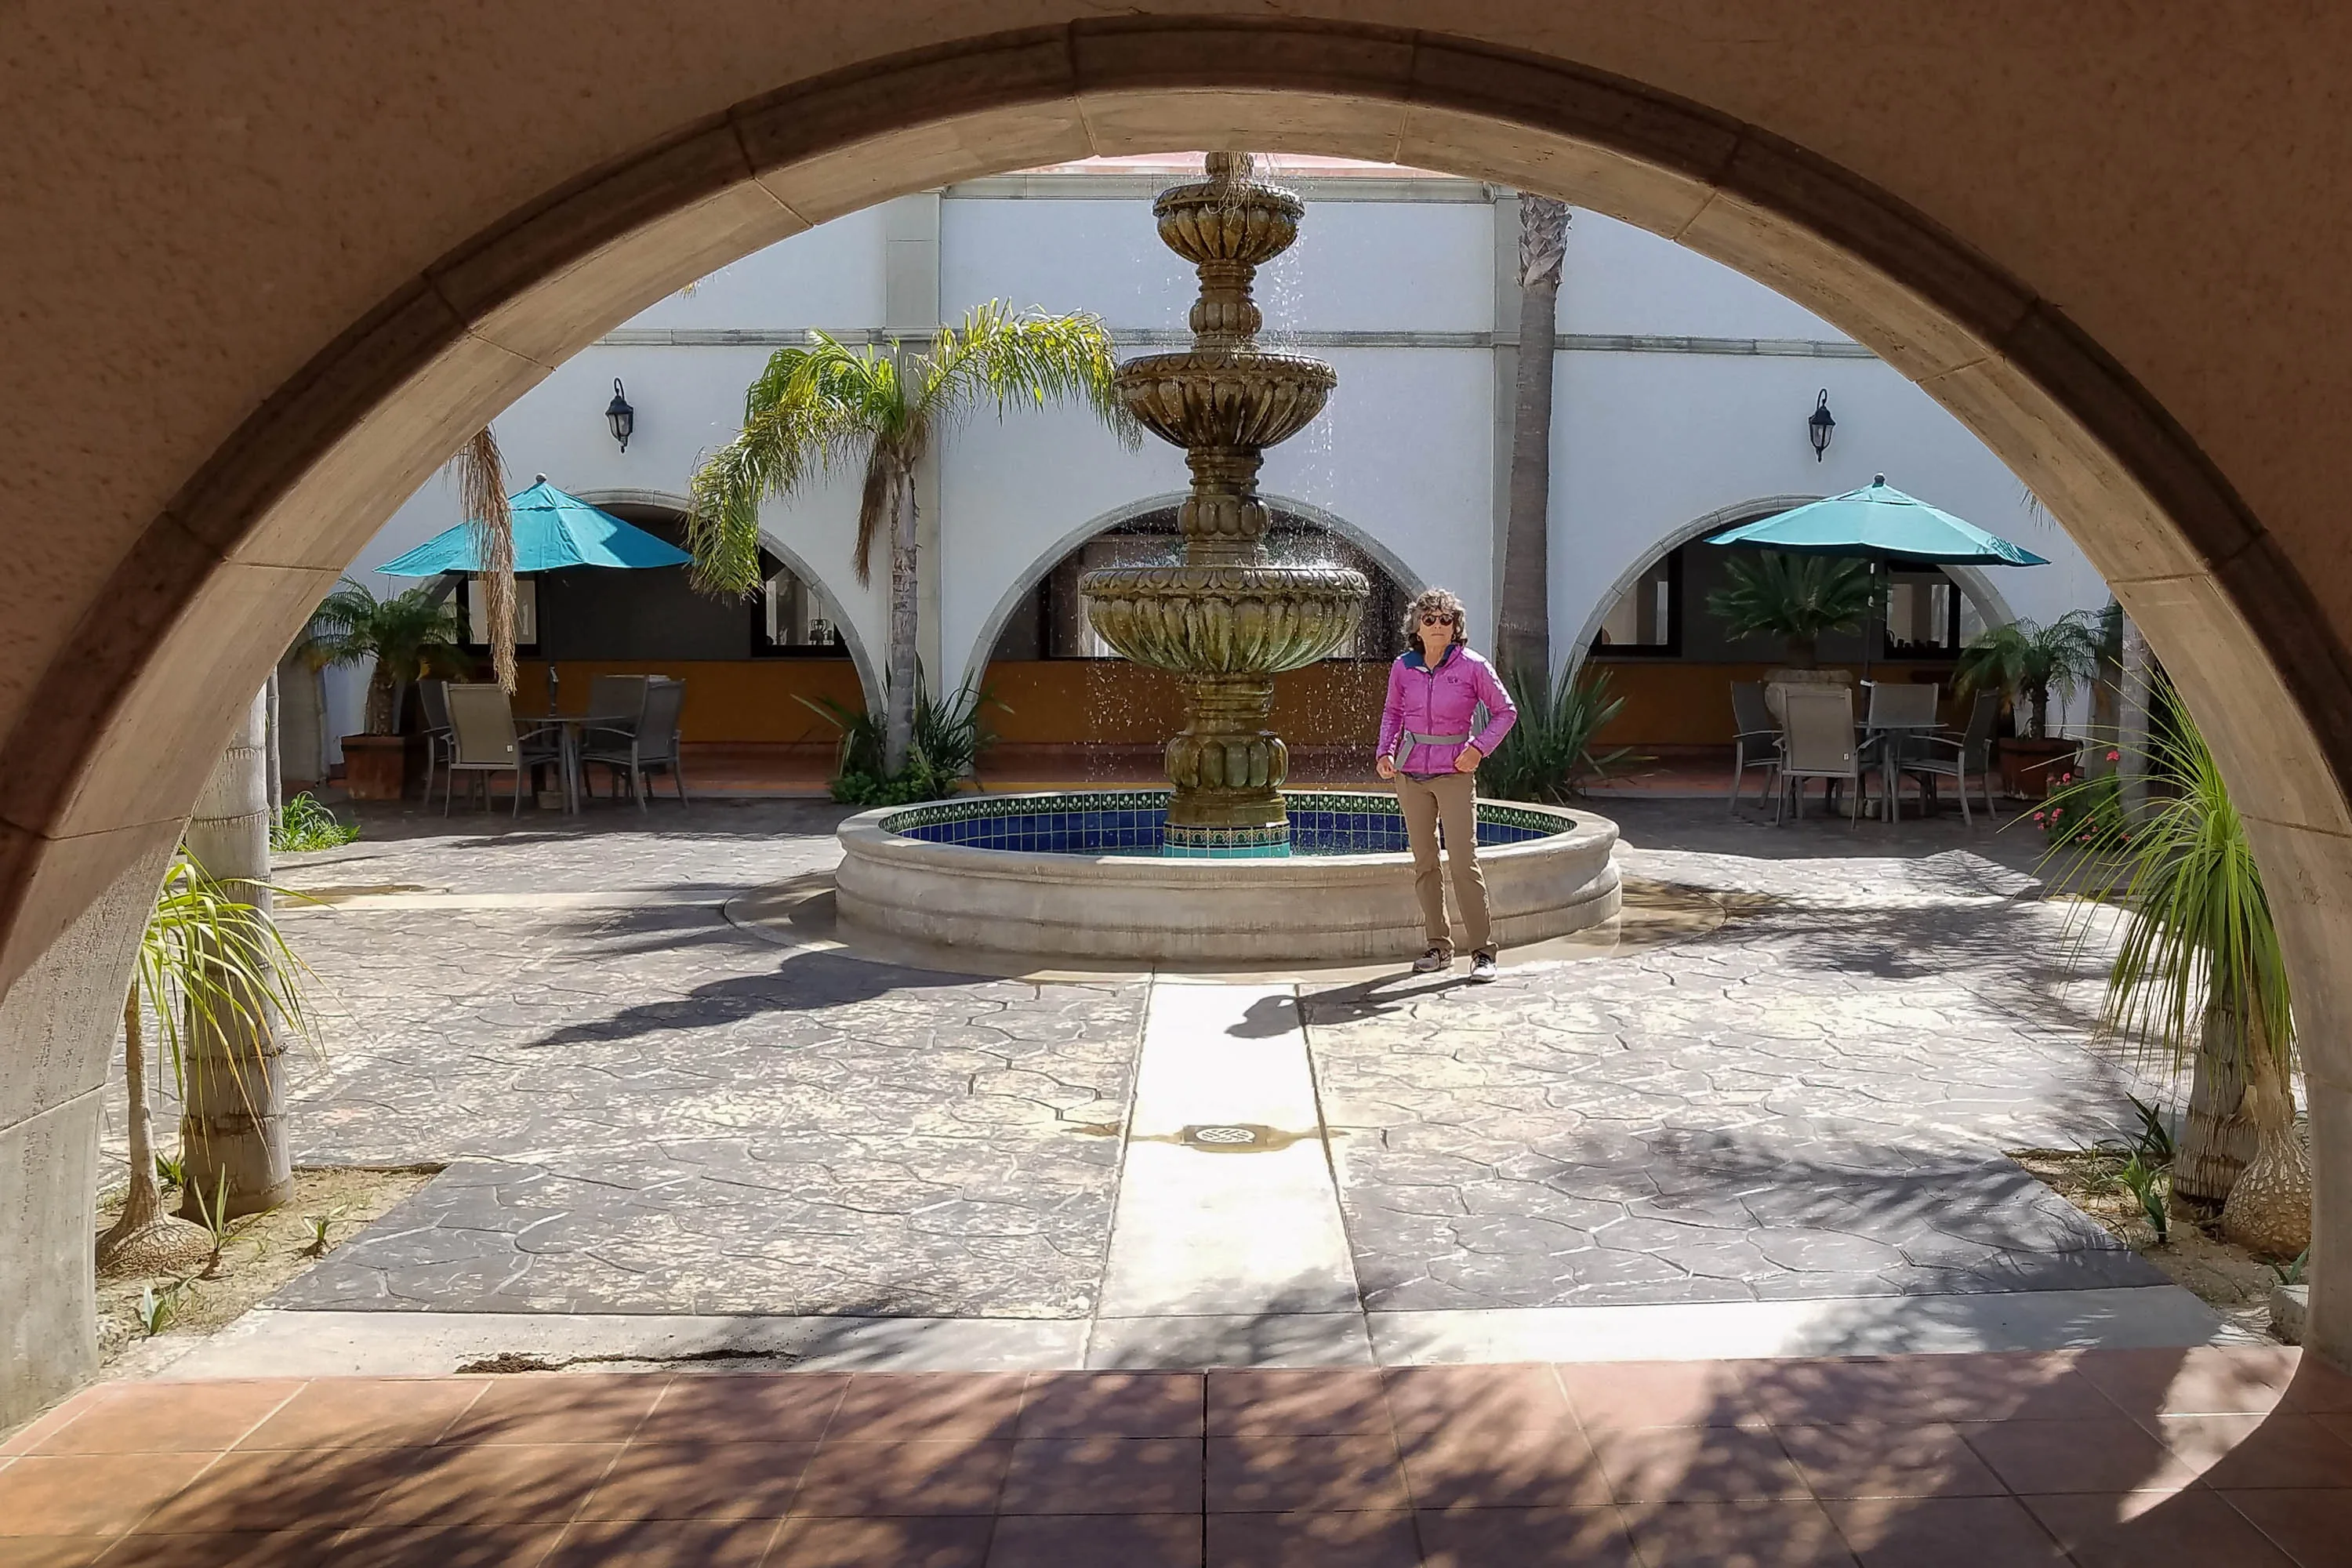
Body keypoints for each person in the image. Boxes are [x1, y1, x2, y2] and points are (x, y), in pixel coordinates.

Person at [1375, 588, 1517, 981]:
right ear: (1416, 626)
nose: (1437, 626)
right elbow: (1392, 712)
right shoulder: (1403, 667)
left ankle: (1483, 953)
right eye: (1429, 619)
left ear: (1456, 628)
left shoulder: (1473, 666)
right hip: (1411, 773)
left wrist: (1478, 749)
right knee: (1424, 862)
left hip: (1455, 772)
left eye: (1445, 620)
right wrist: (1384, 752)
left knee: (1462, 861)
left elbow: (1505, 711)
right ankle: (1438, 947)